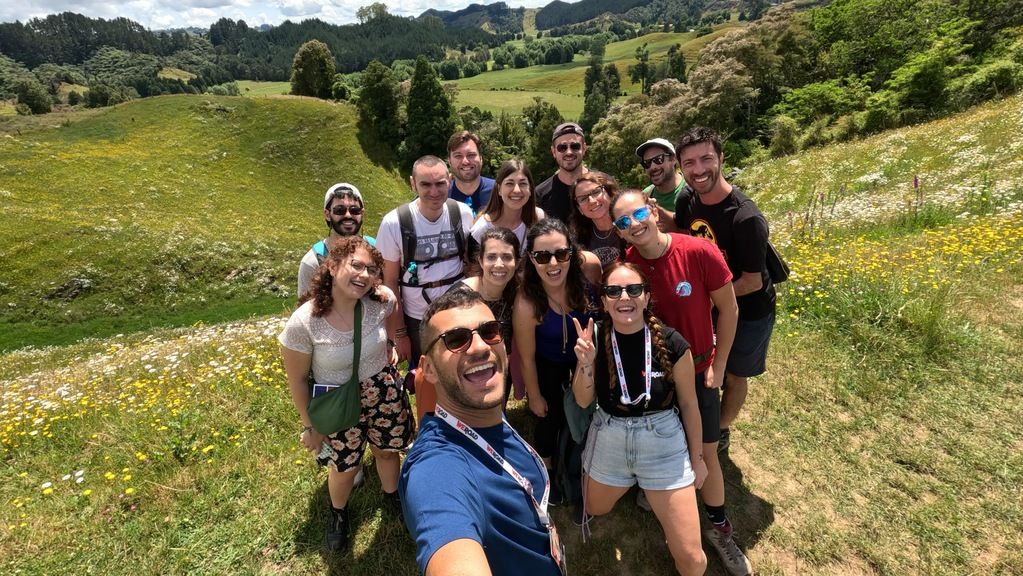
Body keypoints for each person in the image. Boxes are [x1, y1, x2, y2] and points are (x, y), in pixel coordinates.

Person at [611, 189, 750, 576]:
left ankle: (720, 529)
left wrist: (720, 365)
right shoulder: (630, 267)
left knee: (705, 456)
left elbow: (729, 308)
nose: (634, 224)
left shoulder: (698, 251)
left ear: (653, 211)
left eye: (638, 213)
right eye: (623, 222)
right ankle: (664, 497)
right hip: (655, 378)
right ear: (619, 233)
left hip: (702, 369)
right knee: (661, 444)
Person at [400, 286, 566, 576]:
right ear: (428, 369)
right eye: (455, 340)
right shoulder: (437, 468)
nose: (480, 347)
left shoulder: (484, 415)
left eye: (490, 331)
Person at [279, 236, 414, 551]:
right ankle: (338, 513)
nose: (364, 275)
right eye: (357, 265)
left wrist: (391, 343)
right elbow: (297, 379)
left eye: (371, 269)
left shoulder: (379, 300)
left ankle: (391, 496)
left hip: (383, 390)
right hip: (339, 400)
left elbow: (393, 308)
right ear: (333, 265)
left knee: (387, 450)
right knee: (344, 466)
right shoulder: (305, 321)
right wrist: (309, 426)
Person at [571, 262, 707, 576]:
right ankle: (642, 485)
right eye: (613, 291)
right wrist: (586, 364)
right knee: (595, 507)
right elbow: (582, 400)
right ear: (604, 301)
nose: (624, 297)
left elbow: (689, 404)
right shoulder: (595, 340)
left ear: (646, 297)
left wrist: (698, 459)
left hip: (662, 439)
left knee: (693, 560)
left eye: (633, 289)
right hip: (610, 433)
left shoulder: (672, 343)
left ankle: (650, 484)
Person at [671, 127, 777, 456]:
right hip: (712, 306)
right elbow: (684, 233)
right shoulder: (687, 199)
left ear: (721, 158)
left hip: (750, 310)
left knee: (733, 372)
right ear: (680, 167)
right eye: (689, 163)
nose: (699, 169)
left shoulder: (746, 218)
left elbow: (752, 281)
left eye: (706, 159)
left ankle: (721, 429)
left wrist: (703, 296)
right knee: (705, 368)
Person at [513, 218, 602, 508]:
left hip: (586, 354)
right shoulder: (528, 302)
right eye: (542, 256)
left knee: (588, 408)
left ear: (573, 254)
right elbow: (526, 357)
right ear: (531, 259)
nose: (553, 263)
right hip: (548, 361)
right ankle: (547, 467)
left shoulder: (587, 271)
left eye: (561, 254)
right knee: (549, 417)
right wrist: (534, 396)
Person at [377, 155, 474, 372]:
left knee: (461, 370)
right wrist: (400, 334)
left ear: (449, 180)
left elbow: (470, 265)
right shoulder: (394, 223)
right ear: (413, 183)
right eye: (425, 184)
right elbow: (390, 282)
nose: (434, 192)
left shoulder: (462, 214)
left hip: (457, 311)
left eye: (440, 183)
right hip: (417, 318)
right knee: (426, 374)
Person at [413, 227, 521, 421]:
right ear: (480, 260)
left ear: (517, 262)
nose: (499, 264)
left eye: (507, 257)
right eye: (491, 257)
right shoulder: (460, 298)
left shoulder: (515, 294)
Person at [298, 182, 376, 297]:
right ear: (327, 214)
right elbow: (305, 309)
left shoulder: (375, 248)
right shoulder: (313, 262)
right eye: (340, 210)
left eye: (354, 210)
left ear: (362, 213)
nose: (348, 215)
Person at [470, 159, 545, 254]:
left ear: (530, 189)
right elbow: (473, 266)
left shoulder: (538, 218)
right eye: (509, 183)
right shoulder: (482, 229)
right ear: (499, 189)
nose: (517, 190)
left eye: (523, 184)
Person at [568, 171, 623, 270]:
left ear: (609, 193)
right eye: (583, 198)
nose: (592, 201)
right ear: (580, 209)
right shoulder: (577, 240)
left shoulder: (630, 224)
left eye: (596, 192)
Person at [535, 122, 589, 223]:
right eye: (562, 148)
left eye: (575, 146)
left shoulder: (602, 186)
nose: (569, 152)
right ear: (553, 152)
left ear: (584, 148)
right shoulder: (540, 194)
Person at [636, 138, 685, 230]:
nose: (653, 167)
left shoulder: (693, 189)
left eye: (658, 159)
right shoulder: (645, 195)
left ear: (673, 159)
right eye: (647, 163)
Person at [447, 130, 495, 215]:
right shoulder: (441, 197)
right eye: (458, 156)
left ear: (481, 158)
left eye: (471, 155)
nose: (465, 161)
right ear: (449, 161)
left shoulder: (499, 191)